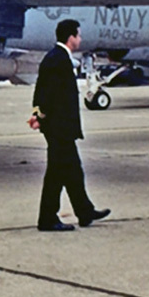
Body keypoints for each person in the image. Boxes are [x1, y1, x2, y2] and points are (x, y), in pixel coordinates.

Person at [29, 19, 110, 232]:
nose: (80, 39)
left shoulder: (56, 57)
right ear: (71, 37)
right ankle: (47, 219)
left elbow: (41, 91)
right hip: (59, 129)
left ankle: (85, 212)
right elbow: (50, 94)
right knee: (56, 175)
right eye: (78, 35)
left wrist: (38, 114)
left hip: (60, 128)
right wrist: (41, 115)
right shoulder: (59, 60)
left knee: (73, 171)